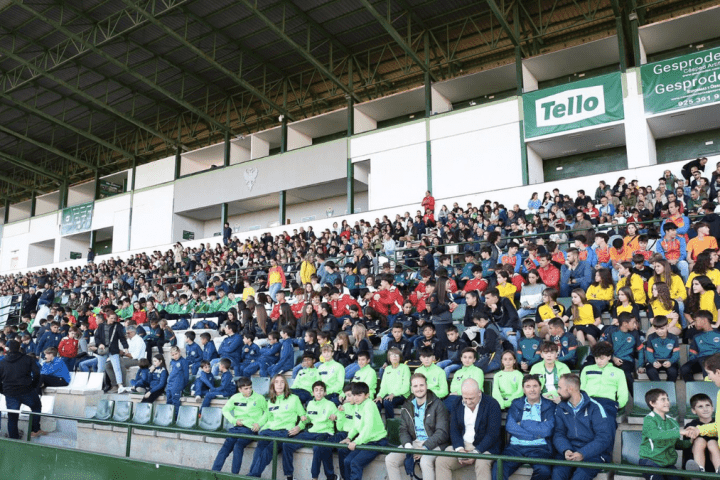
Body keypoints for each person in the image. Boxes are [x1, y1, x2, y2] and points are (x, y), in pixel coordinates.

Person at [552, 373, 616, 480]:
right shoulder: (561, 407)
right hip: (570, 450)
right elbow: (559, 433)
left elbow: (604, 438)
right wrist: (565, 450)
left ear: (570, 389)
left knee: (580, 476)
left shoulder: (595, 407)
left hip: (593, 454)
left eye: (559, 387)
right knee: (557, 473)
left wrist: (583, 453)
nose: (558, 391)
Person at [385, 373, 450, 480]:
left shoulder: (438, 404)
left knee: (425, 461)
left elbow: (442, 432)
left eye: (421, 385)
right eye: (415, 386)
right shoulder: (407, 405)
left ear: (426, 386)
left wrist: (424, 448)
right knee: (390, 459)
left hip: (434, 443)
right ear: (411, 388)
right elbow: (403, 429)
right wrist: (408, 446)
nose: (419, 389)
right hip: (415, 442)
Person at [435, 378, 500, 480]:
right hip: (463, 445)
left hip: (485, 447)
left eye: (471, 398)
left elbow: (492, 434)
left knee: (482, 463)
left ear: (479, 393)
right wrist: (460, 449)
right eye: (465, 398)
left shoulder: (492, 404)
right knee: (441, 461)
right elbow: (454, 429)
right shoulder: (457, 402)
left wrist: (475, 453)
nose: (468, 402)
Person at [493, 374, 556, 480]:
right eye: (528, 386)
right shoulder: (516, 403)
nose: (532, 390)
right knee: (498, 468)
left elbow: (547, 430)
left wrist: (523, 423)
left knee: (544, 471)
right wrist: (536, 434)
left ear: (540, 388)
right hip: (515, 448)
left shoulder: (549, 405)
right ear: (523, 389)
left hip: (539, 448)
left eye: (535, 386)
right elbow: (510, 427)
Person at [247, 375, 306, 478]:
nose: (279, 384)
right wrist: (258, 424)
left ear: (286, 385)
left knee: (268, 451)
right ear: (273, 385)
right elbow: (266, 416)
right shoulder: (271, 401)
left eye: (282, 382)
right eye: (276, 382)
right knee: (259, 450)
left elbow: (304, 417)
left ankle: (252, 476)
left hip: (283, 432)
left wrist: (299, 427)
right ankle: (253, 475)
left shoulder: (294, 399)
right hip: (268, 431)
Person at [284, 380, 339, 480]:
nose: (319, 392)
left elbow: (338, 415)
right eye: (316, 390)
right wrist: (301, 424)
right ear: (313, 392)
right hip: (311, 432)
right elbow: (307, 419)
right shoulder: (310, 404)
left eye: (321, 390)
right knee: (287, 444)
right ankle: (289, 476)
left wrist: (335, 416)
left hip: (325, 432)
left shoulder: (330, 404)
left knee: (318, 448)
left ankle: (314, 477)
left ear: (325, 392)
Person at [212, 377, 267, 475]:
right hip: (237, 428)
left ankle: (234, 475)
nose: (249, 390)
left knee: (238, 445)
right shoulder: (235, 397)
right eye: (246, 388)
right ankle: (213, 473)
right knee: (226, 447)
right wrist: (234, 420)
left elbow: (268, 413)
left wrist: (259, 424)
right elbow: (225, 410)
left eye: (250, 387)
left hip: (250, 429)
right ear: (240, 389)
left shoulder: (259, 398)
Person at [338, 381, 389, 480]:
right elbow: (356, 425)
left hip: (377, 441)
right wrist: (349, 437)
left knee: (355, 463)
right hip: (366, 440)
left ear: (367, 395)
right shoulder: (358, 405)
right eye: (354, 395)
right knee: (347, 461)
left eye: (359, 395)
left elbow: (368, 428)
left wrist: (355, 442)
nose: (356, 398)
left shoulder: (369, 405)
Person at [639, 388, 692, 480]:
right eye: (663, 399)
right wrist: (679, 431)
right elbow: (655, 435)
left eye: (668, 399)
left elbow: (676, 444)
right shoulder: (649, 419)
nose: (667, 402)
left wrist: (691, 440)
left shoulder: (672, 421)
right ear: (652, 403)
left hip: (667, 464)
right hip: (651, 462)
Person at [0, 340, 45, 438]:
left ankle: (14, 438)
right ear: (19, 347)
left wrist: (3, 391)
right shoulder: (28, 359)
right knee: (36, 407)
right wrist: (33, 385)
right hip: (27, 390)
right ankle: (35, 429)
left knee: (12, 417)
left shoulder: (2, 362)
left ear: (7, 349)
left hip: (10, 393)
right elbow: (37, 373)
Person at [684, 393, 720, 474]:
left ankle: (719, 469)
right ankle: (699, 470)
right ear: (693, 410)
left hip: (715, 463)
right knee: (700, 440)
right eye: (700, 406)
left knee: (712, 443)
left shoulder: (718, 424)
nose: (705, 409)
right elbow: (687, 449)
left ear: (712, 408)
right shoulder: (691, 426)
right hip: (697, 461)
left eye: (707, 405)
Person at [108, 324, 146, 393]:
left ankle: (122, 385)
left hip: (137, 360)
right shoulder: (129, 340)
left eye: (128, 333)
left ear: (133, 332)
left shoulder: (139, 340)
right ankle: (115, 385)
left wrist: (123, 353)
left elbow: (135, 356)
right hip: (127, 358)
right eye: (126, 333)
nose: (127, 334)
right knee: (108, 364)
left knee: (120, 362)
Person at [374, 347, 411, 419]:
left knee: (387, 402)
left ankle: (391, 424)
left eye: (397, 355)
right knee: (376, 403)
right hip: (389, 395)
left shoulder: (405, 368)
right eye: (392, 355)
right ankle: (378, 426)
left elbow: (406, 387)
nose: (394, 356)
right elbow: (383, 386)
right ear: (389, 358)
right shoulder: (387, 369)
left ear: (400, 357)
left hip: (402, 395)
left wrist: (393, 394)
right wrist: (379, 396)